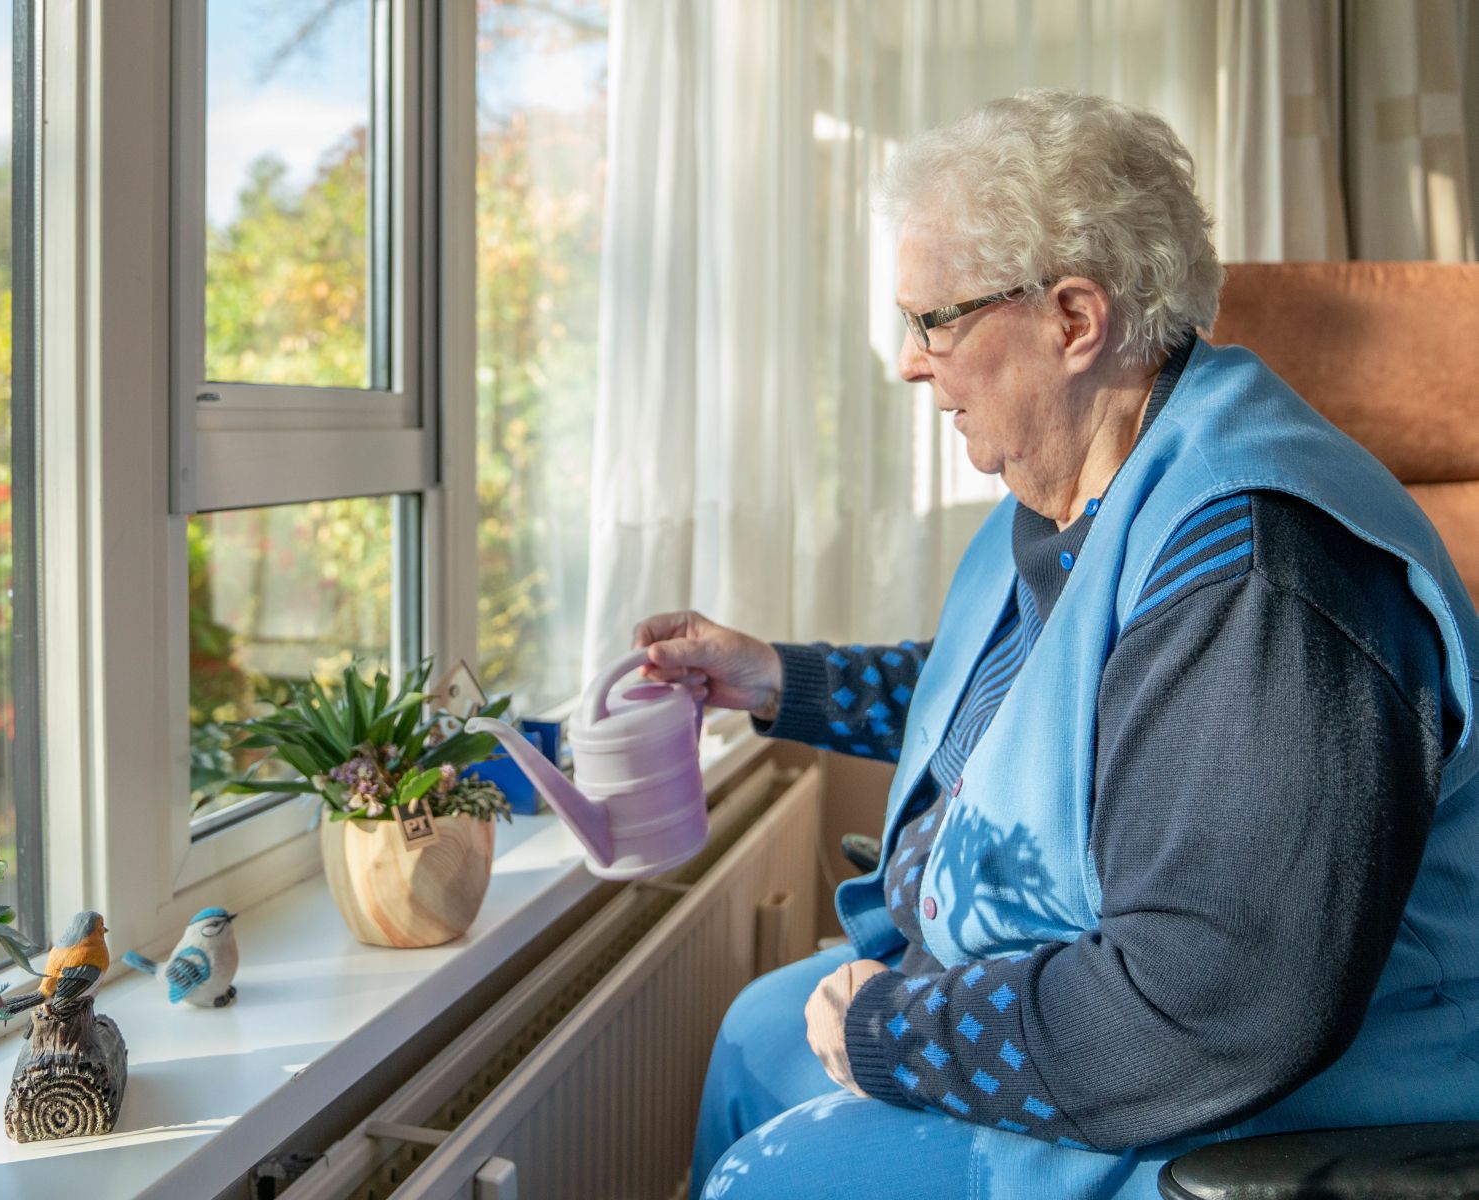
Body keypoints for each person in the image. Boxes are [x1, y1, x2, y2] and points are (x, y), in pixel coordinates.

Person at [634, 89, 1479, 1200]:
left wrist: (896, 1032)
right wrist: (777, 679)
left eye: (934, 321)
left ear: (1074, 320)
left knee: (769, 1180)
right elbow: (1020, 703)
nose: (910, 362)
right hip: (1064, 991)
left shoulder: (1256, 576)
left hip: (1242, 1100)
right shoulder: (1084, 488)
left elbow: (1203, 1011)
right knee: (756, 1036)